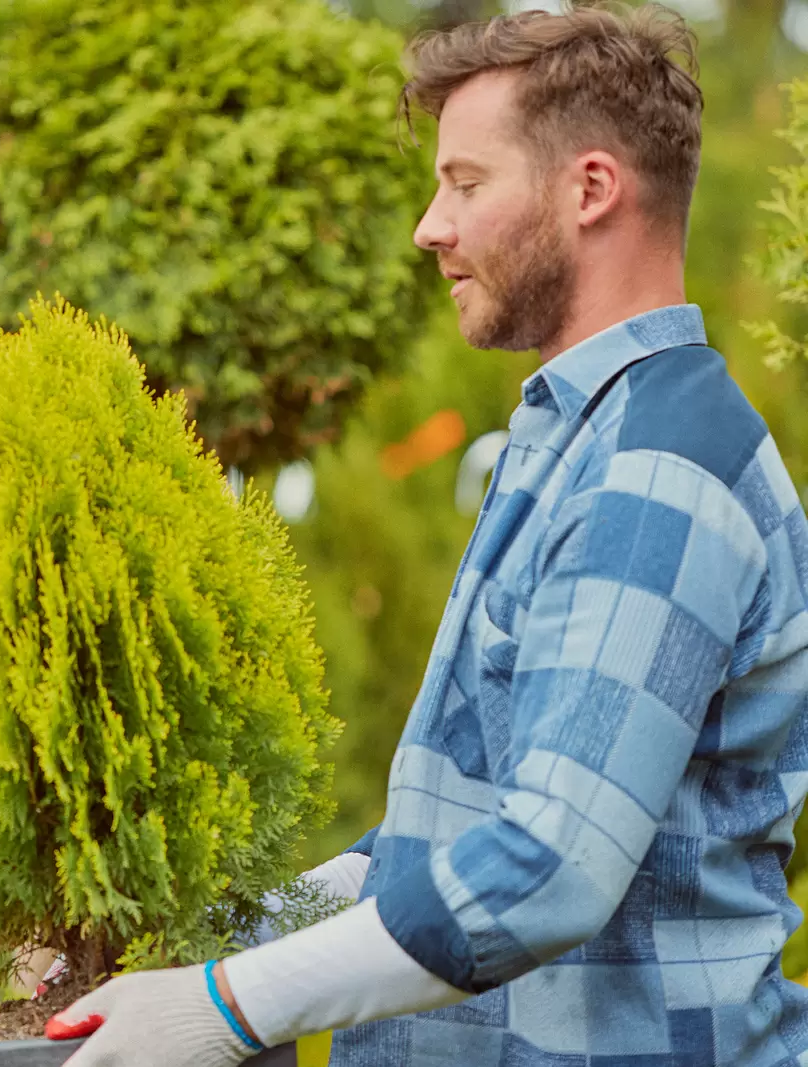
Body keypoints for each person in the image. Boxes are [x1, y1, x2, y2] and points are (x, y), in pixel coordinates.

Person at [51, 5, 808, 1065]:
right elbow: (457, 834)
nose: (428, 225)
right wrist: (215, 937)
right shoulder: (577, 439)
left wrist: (226, 1003)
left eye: (464, 182)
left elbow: (546, 867)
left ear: (590, 190)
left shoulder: (659, 470)